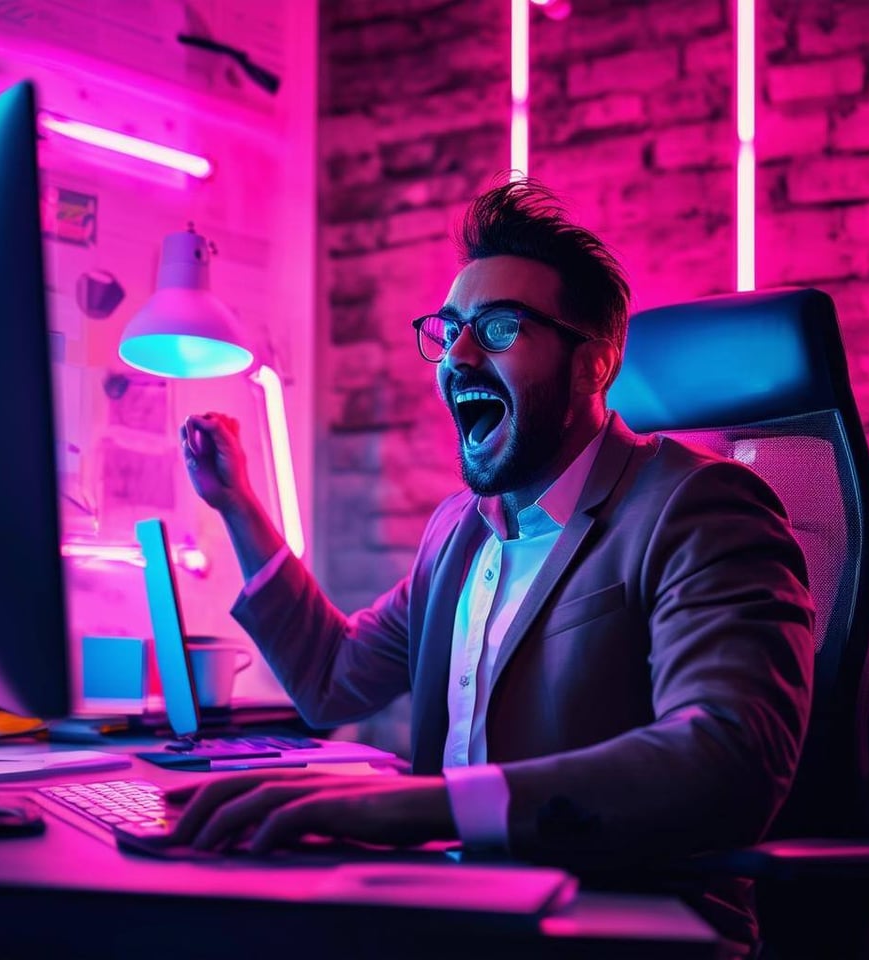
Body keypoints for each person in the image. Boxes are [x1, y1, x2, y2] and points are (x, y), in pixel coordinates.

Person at [171, 178, 814, 949]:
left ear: (594, 365)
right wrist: (237, 506)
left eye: (501, 329)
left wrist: (418, 808)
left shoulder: (698, 507)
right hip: (461, 908)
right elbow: (332, 679)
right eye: (449, 332)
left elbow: (729, 756)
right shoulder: (460, 533)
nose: (460, 356)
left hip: (625, 928)